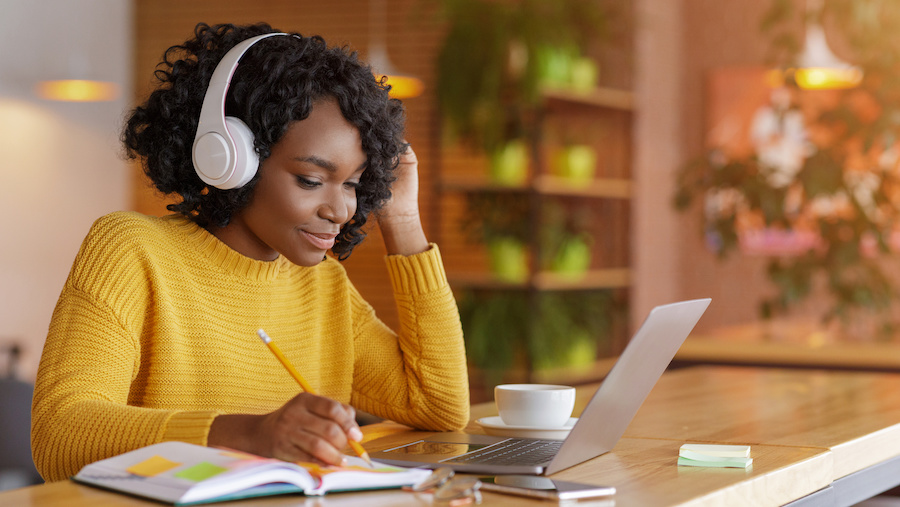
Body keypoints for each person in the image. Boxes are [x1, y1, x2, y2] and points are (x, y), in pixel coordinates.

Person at [31, 22, 470, 482]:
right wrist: (247, 435)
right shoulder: (131, 251)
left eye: (355, 185)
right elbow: (60, 434)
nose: (340, 209)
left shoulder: (323, 284)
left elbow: (439, 405)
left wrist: (401, 220)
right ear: (231, 158)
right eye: (311, 180)